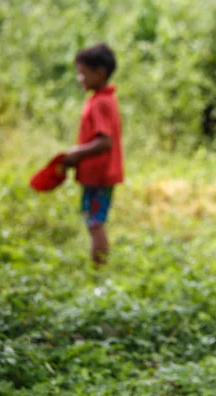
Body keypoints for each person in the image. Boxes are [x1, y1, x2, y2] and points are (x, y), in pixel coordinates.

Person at [62, 43, 124, 265]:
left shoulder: (100, 103)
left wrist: (77, 153)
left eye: (82, 74)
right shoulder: (105, 99)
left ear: (100, 73)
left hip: (100, 174)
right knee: (94, 222)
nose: (80, 79)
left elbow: (104, 141)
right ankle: (99, 267)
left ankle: (99, 271)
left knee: (95, 224)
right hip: (97, 174)